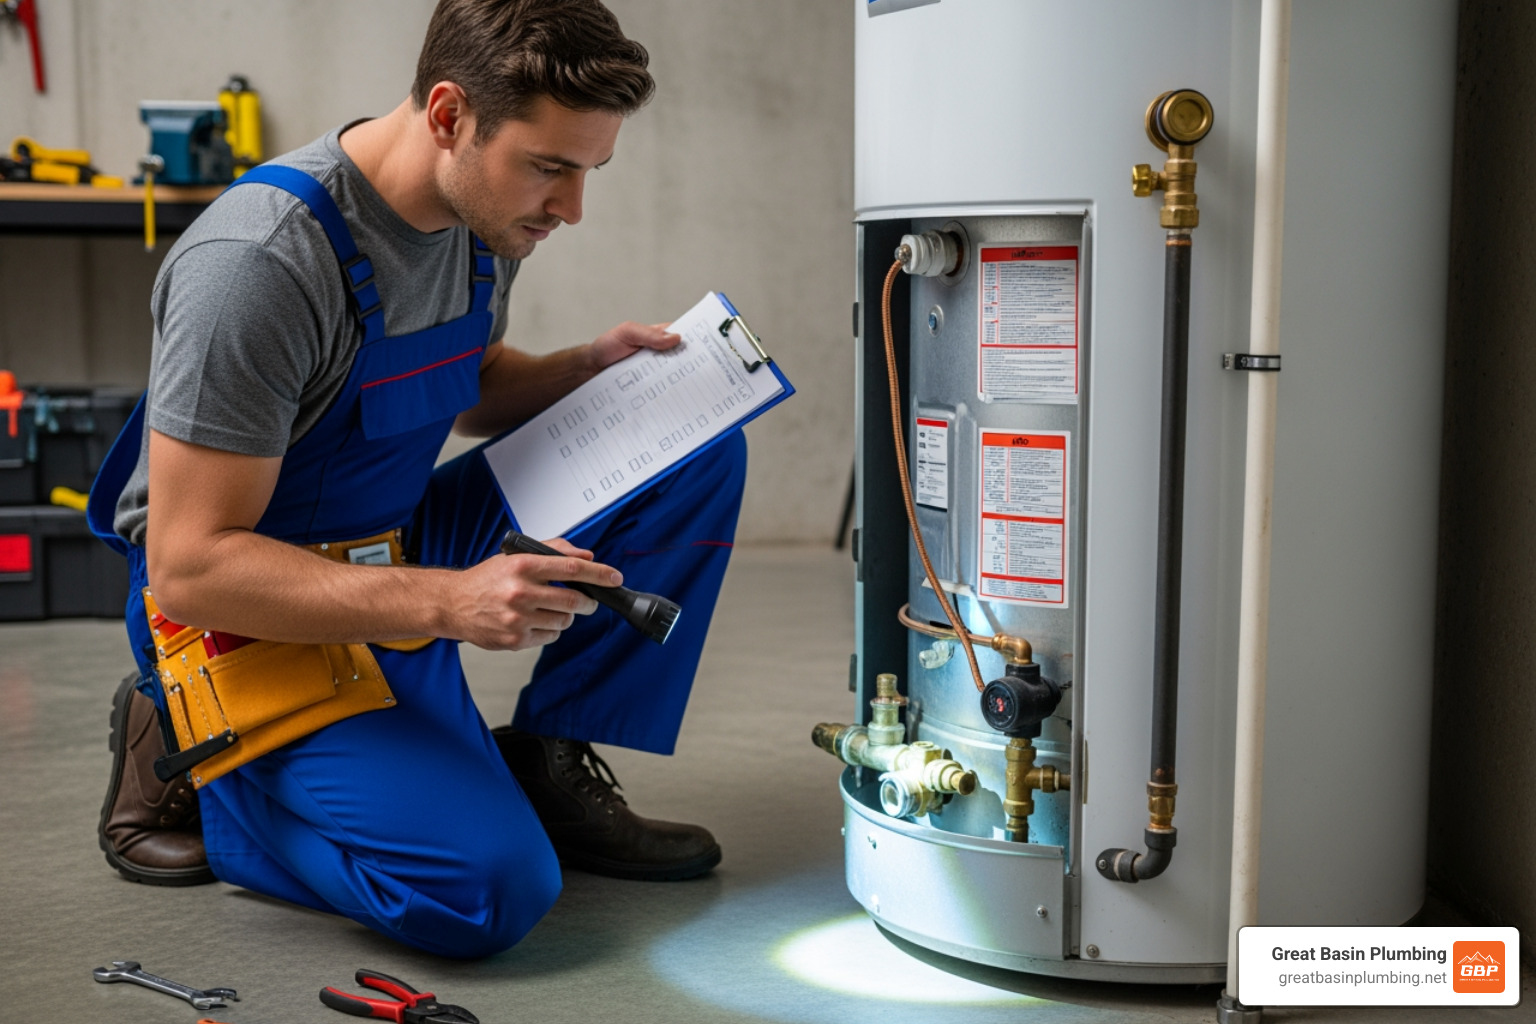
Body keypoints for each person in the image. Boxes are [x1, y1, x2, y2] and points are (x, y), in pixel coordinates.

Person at [88, 0, 746, 958]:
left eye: (588, 171)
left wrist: (586, 371)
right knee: (487, 896)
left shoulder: (482, 220)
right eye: (550, 167)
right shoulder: (259, 266)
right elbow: (188, 567)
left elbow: (464, 385)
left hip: (396, 541)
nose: (570, 208)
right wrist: (448, 602)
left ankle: (546, 760)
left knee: (695, 439)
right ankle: (208, 771)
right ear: (448, 115)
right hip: (246, 608)